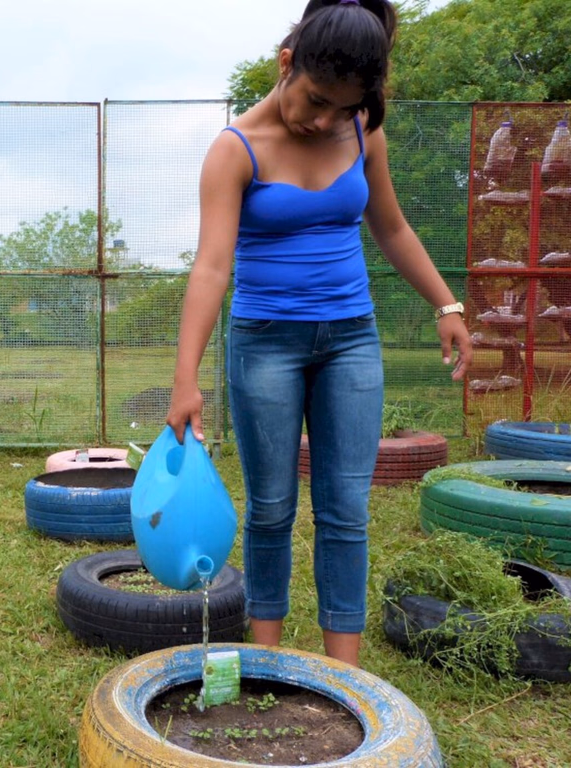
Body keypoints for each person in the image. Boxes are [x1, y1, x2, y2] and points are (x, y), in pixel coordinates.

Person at [165, 0, 474, 667]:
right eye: (315, 100)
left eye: (342, 107)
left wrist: (446, 305)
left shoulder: (364, 131)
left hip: (351, 342)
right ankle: (268, 664)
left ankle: (344, 675)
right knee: (271, 509)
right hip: (265, 343)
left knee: (344, 511)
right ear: (287, 64)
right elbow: (213, 266)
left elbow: (390, 228)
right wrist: (186, 379)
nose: (324, 119)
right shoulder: (236, 148)